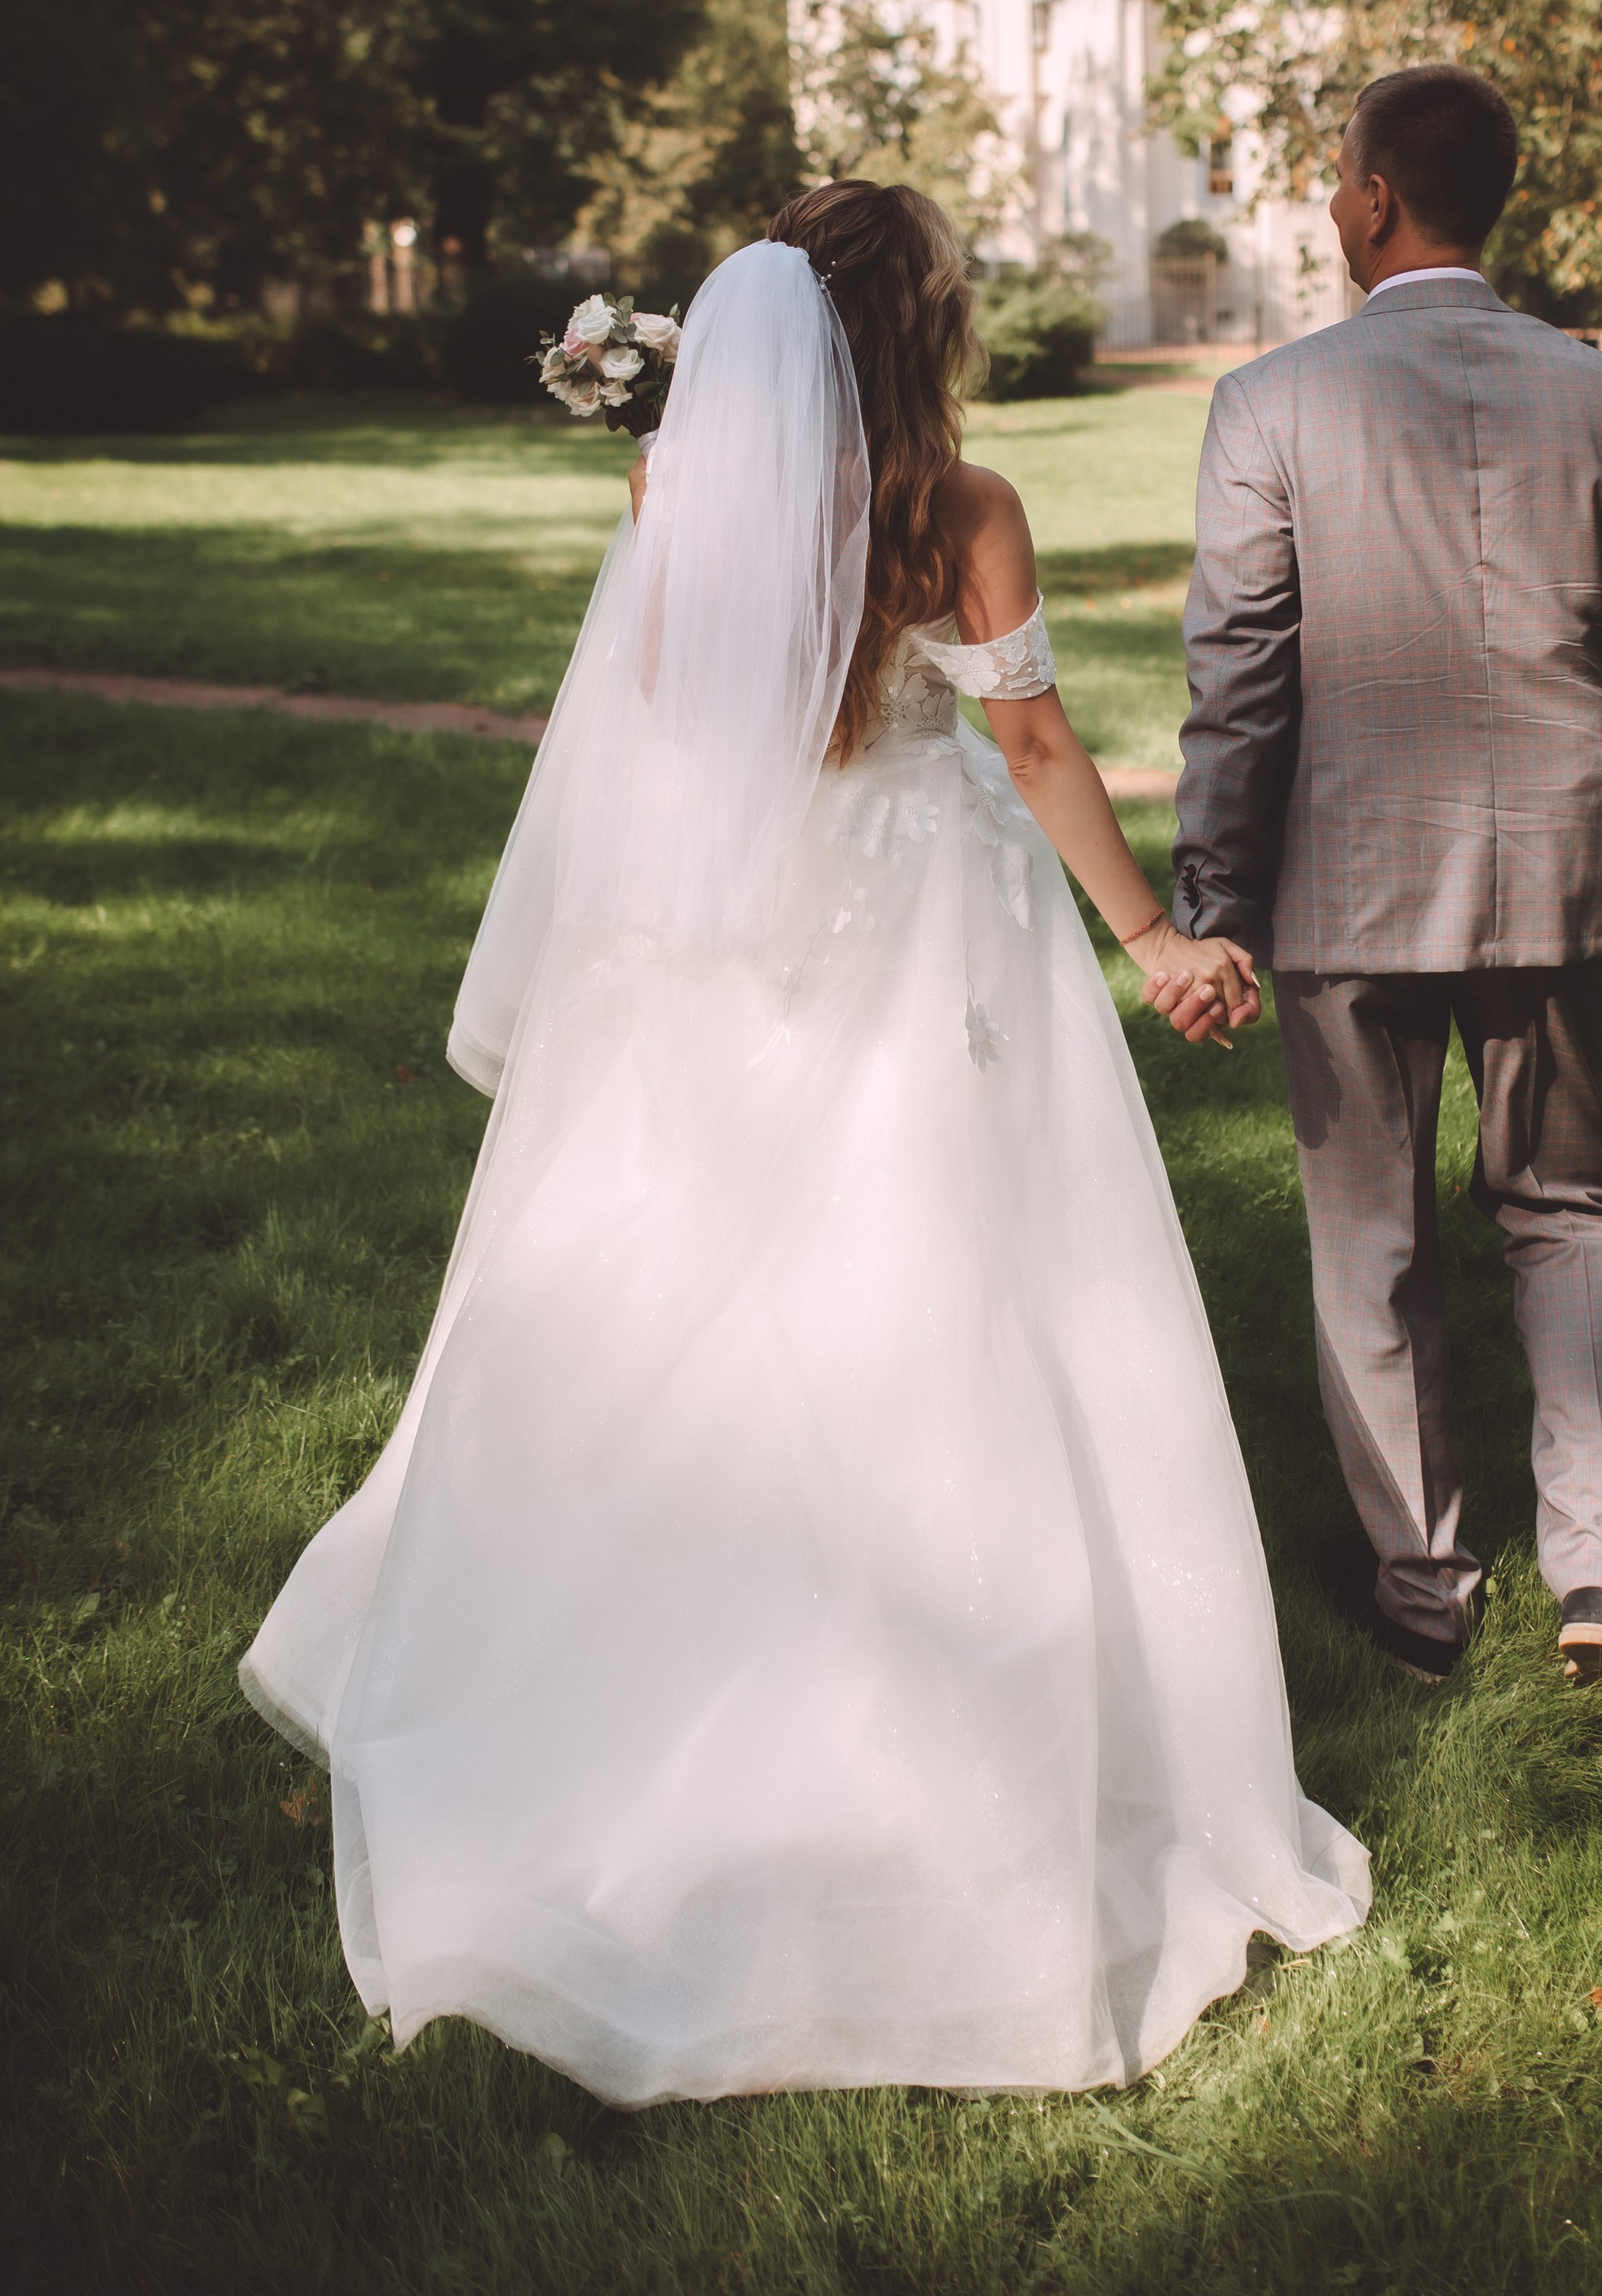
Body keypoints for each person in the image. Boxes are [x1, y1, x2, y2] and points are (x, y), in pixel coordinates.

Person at [239, 180, 1366, 2107]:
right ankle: (954, 1757)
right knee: (947, 1305)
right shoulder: (961, 513)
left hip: (730, 940)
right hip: (928, 919)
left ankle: (658, 1676)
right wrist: (1157, 939)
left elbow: (678, 730)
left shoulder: (671, 498)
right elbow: (1028, 751)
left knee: (711, 1301)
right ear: (912, 327)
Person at [1156, 66, 1602, 1693]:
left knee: (1369, 1244)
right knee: (1564, 1214)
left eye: (1335, 176)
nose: (1330, 202)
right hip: (1558, 866)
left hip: (1344, 886)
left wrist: (1213, 896)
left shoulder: (1269, 402)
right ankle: (1594, 1580)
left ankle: (1423, 1585)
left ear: (1375, 197)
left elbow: (1238, 679)